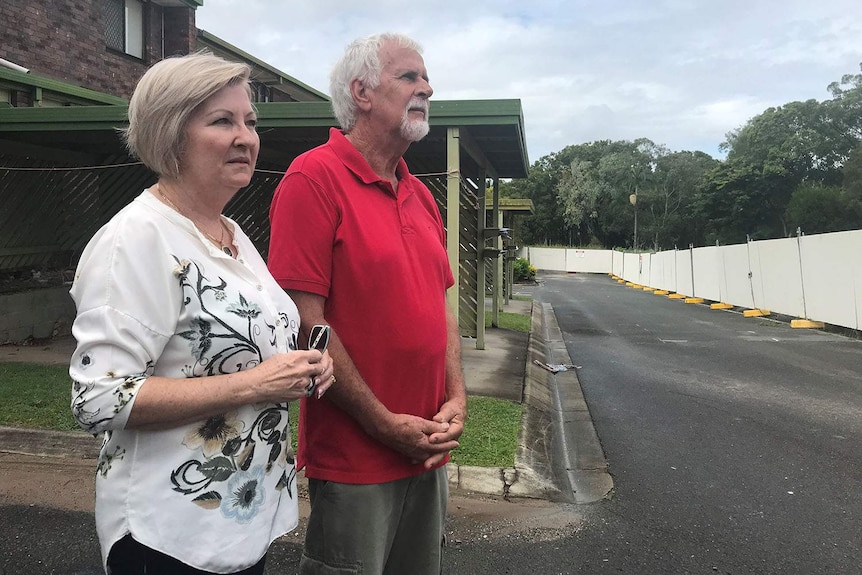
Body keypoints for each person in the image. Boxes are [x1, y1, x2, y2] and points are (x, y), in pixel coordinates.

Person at [68, 52, 335, 575]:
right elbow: (99, 397)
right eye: (222, 121)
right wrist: (258, 383)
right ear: (171, 137)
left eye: (250, 122)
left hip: (238, 523)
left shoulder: (230, 234)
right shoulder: (138, 238)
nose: (246, 137)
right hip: (166, 536)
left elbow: (234, 350)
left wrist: (302, 365)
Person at [267, 32, 467, 575]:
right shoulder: (313, 179)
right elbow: (307, 325)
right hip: (357, 460)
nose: (427, 87)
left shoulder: (420, 193)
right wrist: (382, 424)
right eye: (409, 77)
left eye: (426, 78)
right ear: (361, 92)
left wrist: (456, 397)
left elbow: (439, 308)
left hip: (427, 449)